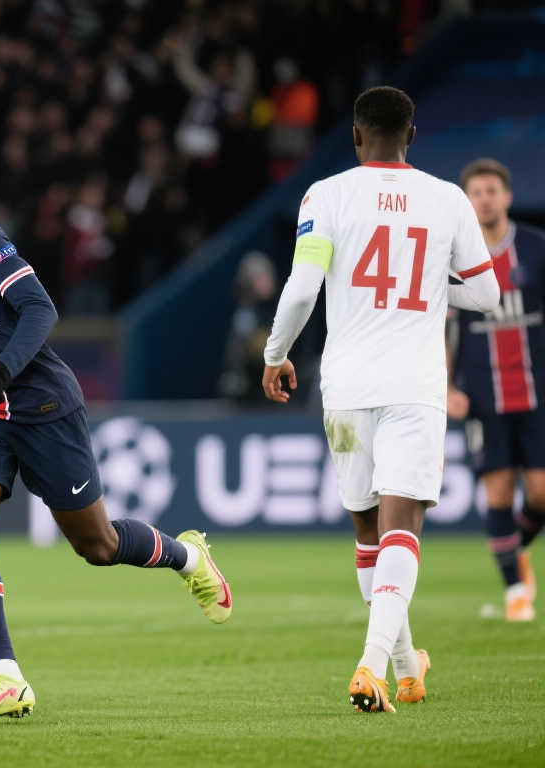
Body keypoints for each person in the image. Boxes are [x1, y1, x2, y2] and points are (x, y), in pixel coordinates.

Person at [0, 137, 232, 724]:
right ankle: (6, 677)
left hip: (42, 403)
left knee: (98, 545)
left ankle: (187, 557)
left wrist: (2, 369)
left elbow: (40, 308)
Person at [261, 86, 501, 713]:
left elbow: (302, 287)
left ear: (355, 136)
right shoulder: (447, 199)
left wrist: (275, 354)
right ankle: (372, 665)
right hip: (415, 387)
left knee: (368, 528)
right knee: (402, 525)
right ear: (412, 136)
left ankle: (405, 668)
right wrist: (431, 285)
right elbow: (487, 296)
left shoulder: (326, 194)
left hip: (344, 389)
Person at [447, 158, 544, 621]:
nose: (484, 200)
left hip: (538, 393)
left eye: (491, 191)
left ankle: (512, 549)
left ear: (506, 196)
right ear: (466, 201)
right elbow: (445, 330)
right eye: (476, 193)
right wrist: (446, 385)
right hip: (484, 397)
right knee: (499, 494)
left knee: (541, 496)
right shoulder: (454, 257)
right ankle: (515, 593)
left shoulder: (536, 248)